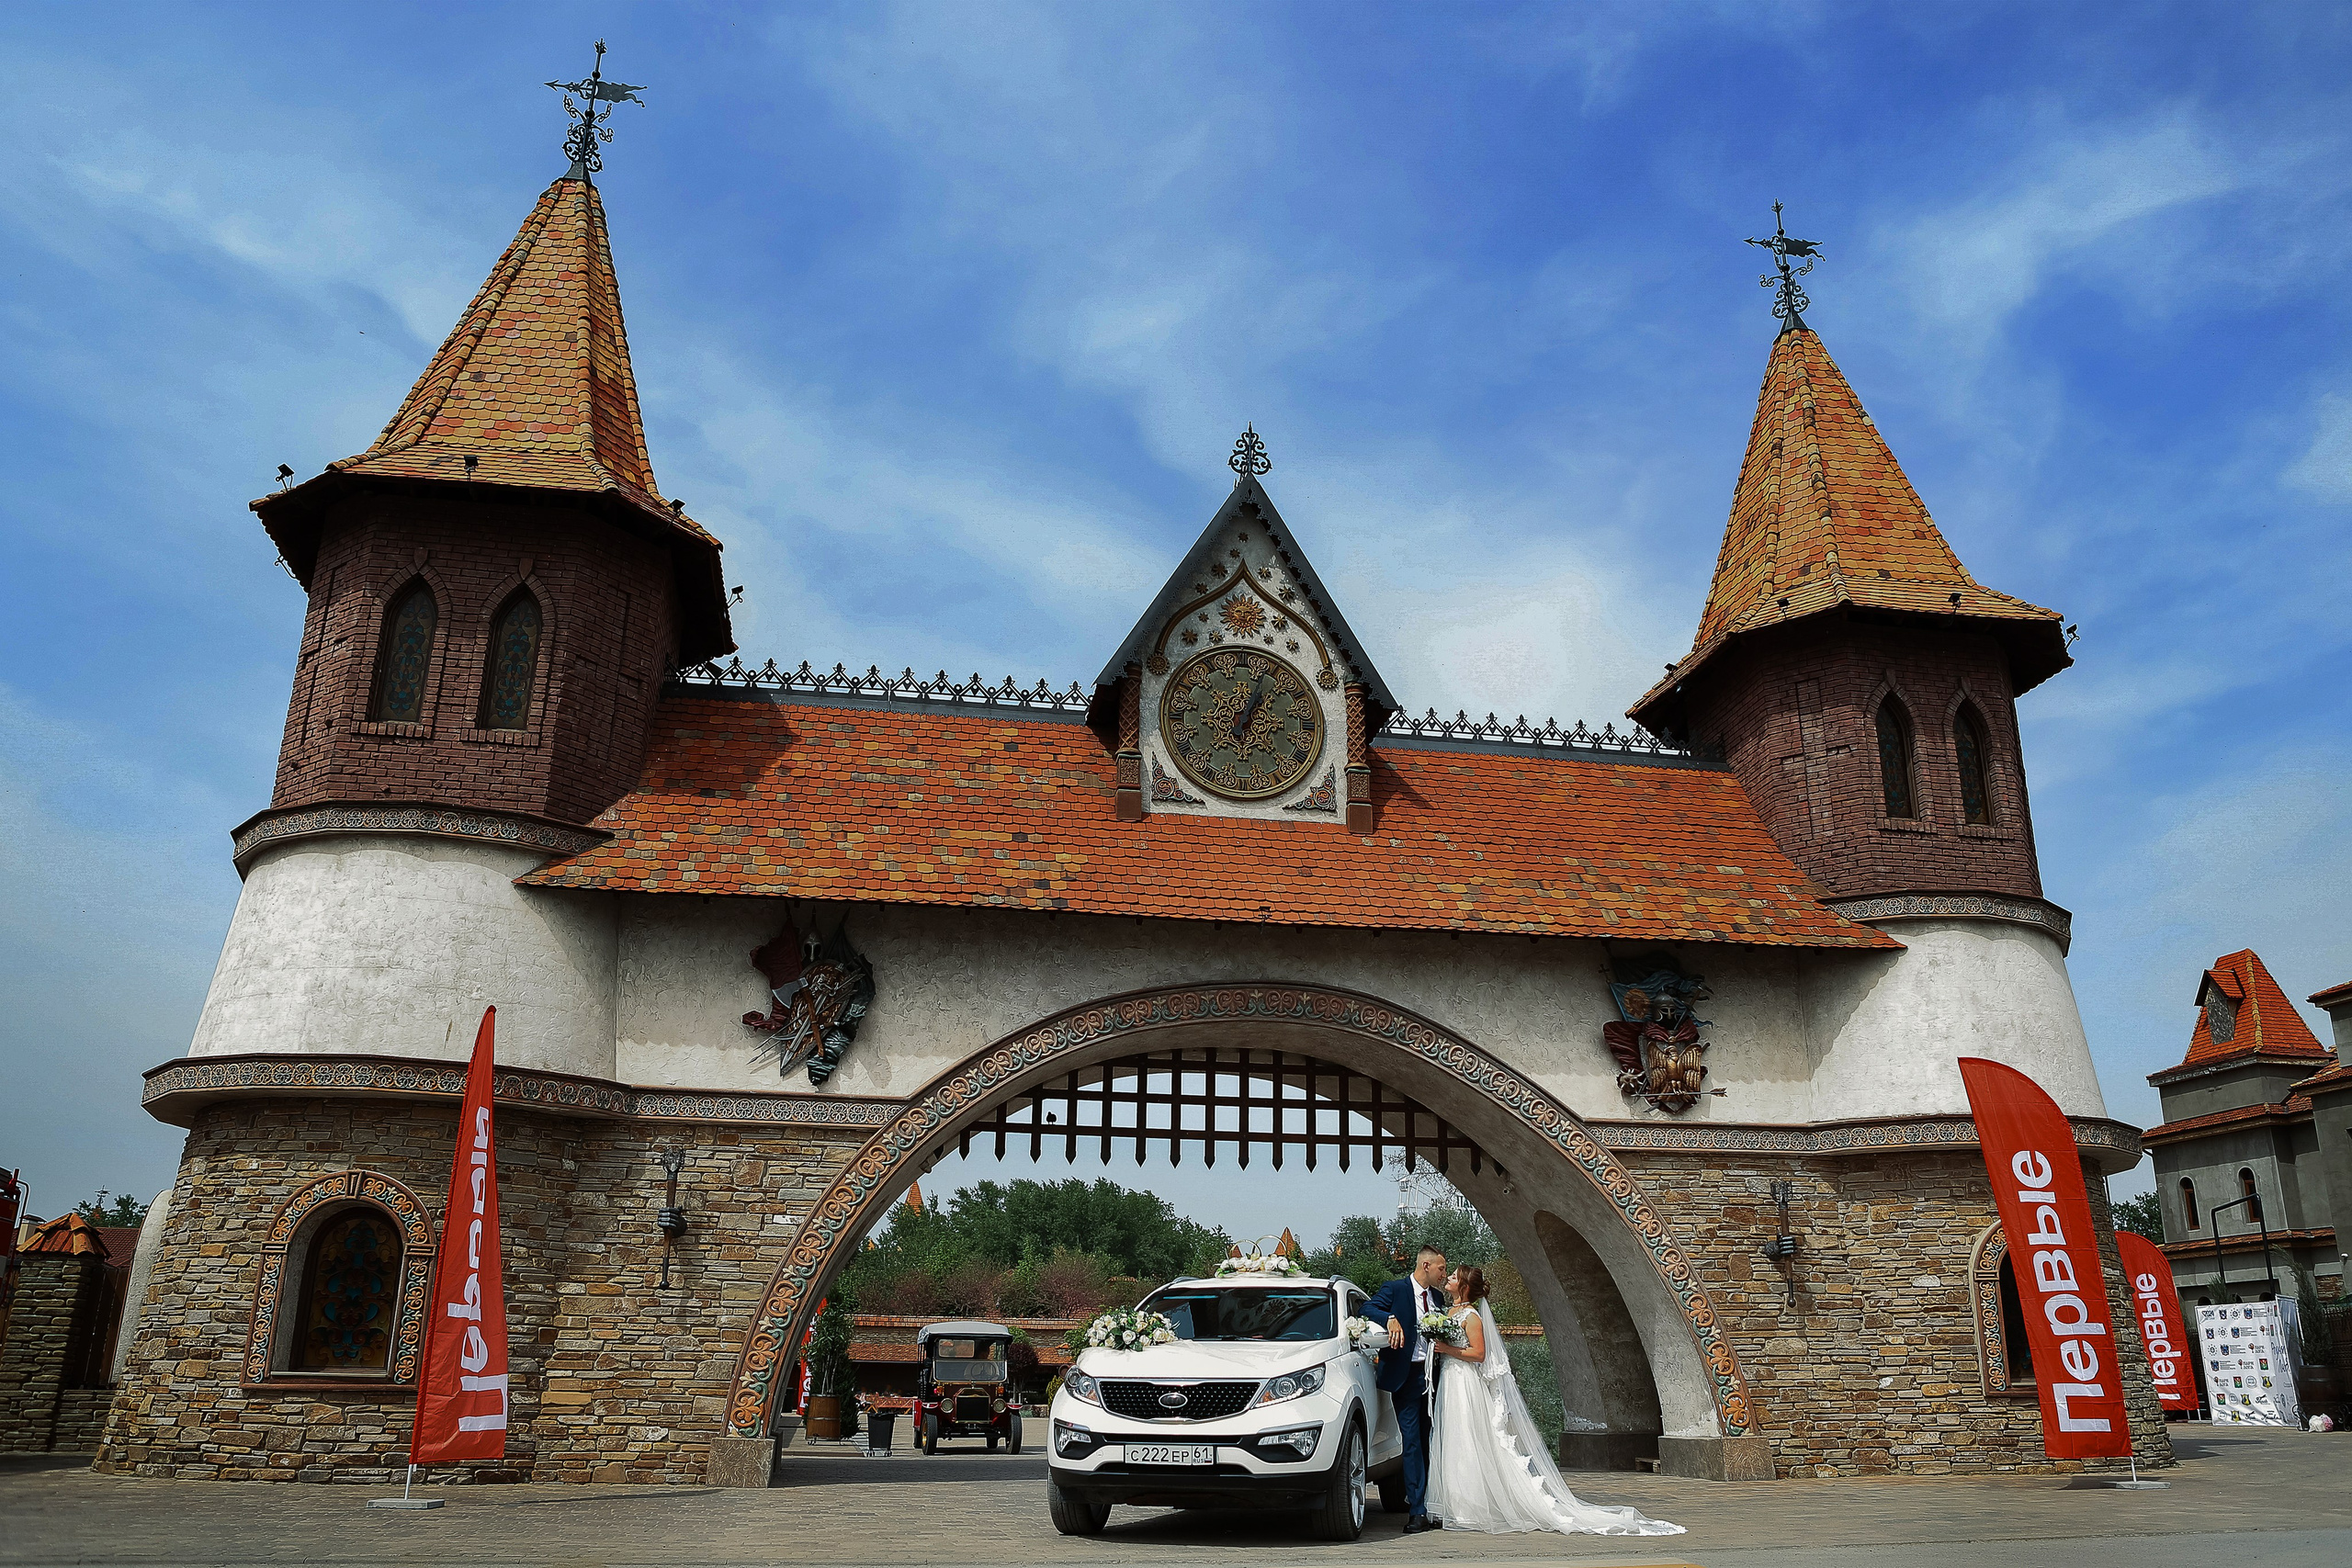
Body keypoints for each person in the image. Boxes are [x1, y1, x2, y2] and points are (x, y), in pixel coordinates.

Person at [1423, 1265, 1683, 1536]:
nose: (1449, 1279)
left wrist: (1447, 1349)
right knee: (1453, 1437)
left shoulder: (1472, 1316)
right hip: (1450, 1380)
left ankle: (1473, 1509)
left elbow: (1478, 1354)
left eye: (1453, 1276)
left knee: (1467, 1437)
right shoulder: (1448, 1312)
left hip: (1465, 1382)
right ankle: (1457, 1505)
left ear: (1464, 1285)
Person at [1365, 1244, 1452, 1534]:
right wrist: (1388, 1318)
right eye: (1441, 1268)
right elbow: (1367, 1307)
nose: (1444, 1273)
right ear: (1426, 1266)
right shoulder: (1395, 1289)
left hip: (1435, 1378)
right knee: (1412, 1442)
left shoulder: (1438, 1298)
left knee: (1433, 1443)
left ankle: (1433, 1504)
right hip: (1406, 1378)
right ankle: (1417, 1512)